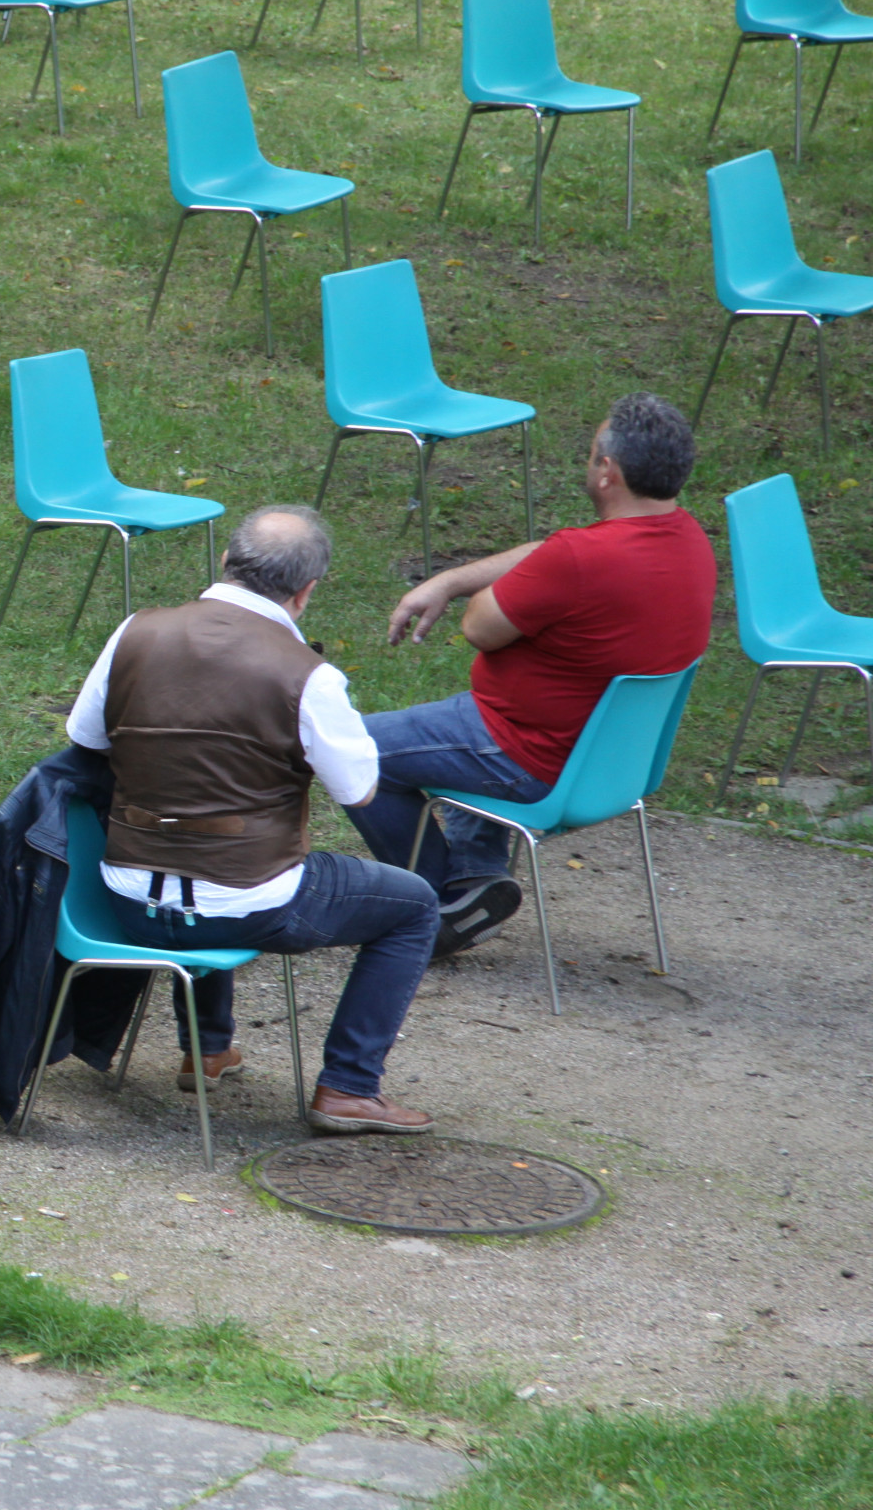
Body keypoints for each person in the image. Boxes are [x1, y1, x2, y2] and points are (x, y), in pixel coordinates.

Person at [66, 506, 441, 1135]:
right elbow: (359, 789)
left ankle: (208, 1047)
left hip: (127, 898)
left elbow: (85, 737)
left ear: (224, 562)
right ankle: (349, 1086)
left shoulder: (135, 631)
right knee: (416, 907)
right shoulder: (309, 676)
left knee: (208, 852)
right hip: (244, 903)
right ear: (306, 591)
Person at [345, 393, 717, 957]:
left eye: (591, 454)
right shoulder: (689, 541)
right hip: (610, 765)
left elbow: (480, 628)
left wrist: (481, 591)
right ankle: (478, 879)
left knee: (354, 749)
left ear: (607, 471)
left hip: (527, 754)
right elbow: (550, 556)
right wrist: (451, 579)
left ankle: (437, 905)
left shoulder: (580, 560)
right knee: (458, 721)